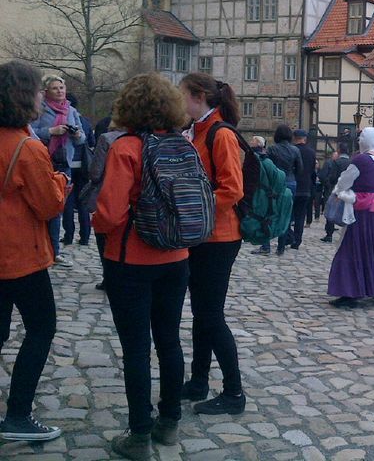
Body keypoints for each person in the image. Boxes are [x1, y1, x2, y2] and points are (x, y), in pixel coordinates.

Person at [92, 73, 192, 459]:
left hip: (130, 260)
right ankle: (169, 425)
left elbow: (110, 214)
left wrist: (95, 224)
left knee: (136, 348)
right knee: (169, 340)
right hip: (177, 258)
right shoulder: (183, 146)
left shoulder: (127, 147)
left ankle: (138, 436)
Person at [0, 61, 67, 442]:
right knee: (41, 328)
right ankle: (18, 415)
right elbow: (49, 205)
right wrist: (59, 181)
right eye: (40, 90)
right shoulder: (27, 147)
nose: (44, 96)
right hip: (20, 255)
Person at [179, 73, 247, 415]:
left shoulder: (220, 134)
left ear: (199, 96)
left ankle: (234, 393)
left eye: (184, 96)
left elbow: (232, 189)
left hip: (219, 237)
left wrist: (191, 209)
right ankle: (198, 381)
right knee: (201, 314)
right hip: (203, 236)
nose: (181, 101)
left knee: (210, 315)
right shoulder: (201, 130)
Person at [327, 127, 374, 308]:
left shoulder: (361, 160)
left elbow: (345, 182)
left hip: (360, 210)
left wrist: (340, 192)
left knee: (353, 247)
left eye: (361, 138)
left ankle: (351, 292)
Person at [30, 75, 86, 268]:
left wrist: (77, 134)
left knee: (58, 209)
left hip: (66, 164)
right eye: (55, 88)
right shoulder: (40, 109)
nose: (60, 91)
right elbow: (31, 132)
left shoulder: (71, 110)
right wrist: (51, 132)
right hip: (45, 162)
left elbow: (82, 139)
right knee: (44, 208)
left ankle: (54, 251)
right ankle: (41, 249)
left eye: (62, 87)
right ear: (47, 92)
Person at [80, 121, 125, 291]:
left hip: (107, 194)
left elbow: (95, 172)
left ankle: (109, 276)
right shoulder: (146, 137)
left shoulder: (107, 138)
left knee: (103, 237)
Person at [61, 93, 95, 247]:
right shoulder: (85, 122)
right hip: (83, 165)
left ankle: (68, 235)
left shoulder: (61, 119)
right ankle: (85, 237)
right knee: (82, 202)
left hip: (67, 163)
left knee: (68, 201)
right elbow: (91, 142)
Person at [267, 124, 303, 255]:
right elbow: (300, 169)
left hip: (276, 183)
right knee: (286, 214)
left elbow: (268, 169)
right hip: (291, 182)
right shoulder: (295, 150)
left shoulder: (272, 149)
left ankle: (266, 244)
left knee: (270, 213)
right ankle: (281, 247)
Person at [291, 129, 316, 249]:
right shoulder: (311, 152)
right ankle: (297, 240)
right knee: (300, 216)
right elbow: (312, 171)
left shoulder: (292, 150)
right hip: (306, 187)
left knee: (289, 214)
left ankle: (288, 237)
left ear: (295, 138)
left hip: (293, 185)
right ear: (304, 139)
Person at [320, 144, 350, 243]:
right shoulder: (351, 162)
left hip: (336, 189)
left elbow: (333, 177)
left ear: (339, 151)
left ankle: (329, 234)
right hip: (348, 190)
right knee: (347, 211)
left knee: (331, 211)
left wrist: (328, 183)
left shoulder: (336, 162)